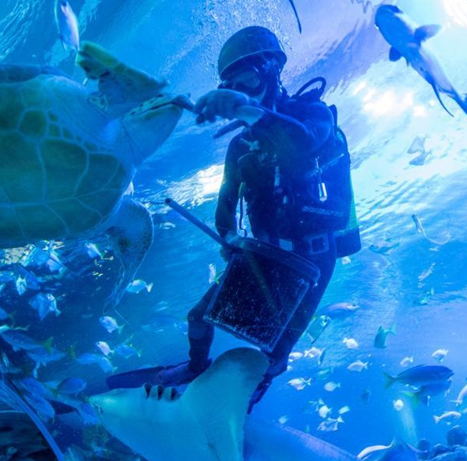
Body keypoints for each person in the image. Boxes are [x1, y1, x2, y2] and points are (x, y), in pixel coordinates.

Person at [107, 26, 356, 411]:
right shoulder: (241, 146)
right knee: (198, 319)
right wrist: (229, 239)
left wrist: (245, 109)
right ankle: (194, 367)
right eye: (236, 86)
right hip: (261, 254)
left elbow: (305, 142)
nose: (247, 91)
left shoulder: (313, 112)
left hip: (312, 258)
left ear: (273, 72)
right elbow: (226, 205)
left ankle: (249, 398)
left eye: (251, 80)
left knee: (274, 351)